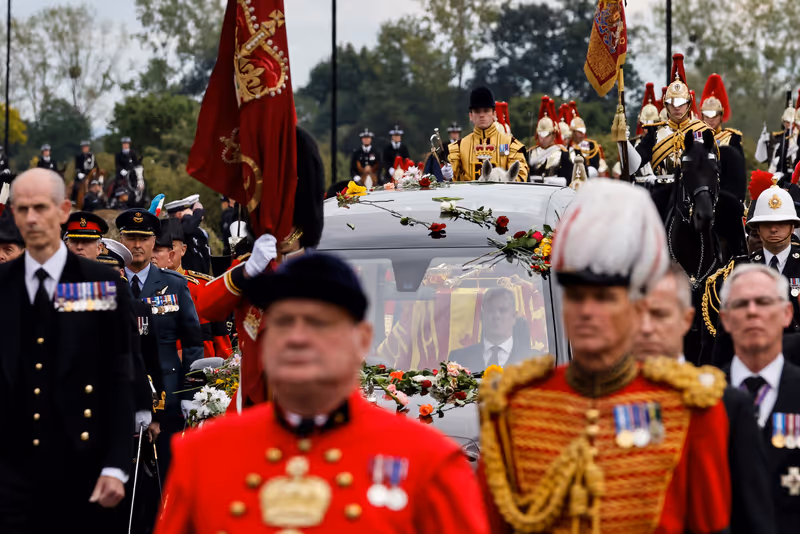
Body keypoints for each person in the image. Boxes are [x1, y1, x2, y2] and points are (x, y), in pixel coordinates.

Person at [155, 253, 491, 534]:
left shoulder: (428, 462)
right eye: (284, 322)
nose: (298, 338)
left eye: (319, 323)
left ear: (362, 338)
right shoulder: (203, 457)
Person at [480, 179, 731, 533]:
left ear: (636, 308)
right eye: (576, 297)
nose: (586, 311)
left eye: (603, 299)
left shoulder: (692, 409)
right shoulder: (513, 407)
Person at [0, 168, 135, 532]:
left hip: (83, 467)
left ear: (62, 211)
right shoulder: (2, 285)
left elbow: (119, 376)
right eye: (22, 209)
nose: (31, 218)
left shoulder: (99, 282)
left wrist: (116, 464)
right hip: (10, 472)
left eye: (40, 208)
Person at [634, 263, 777, 534]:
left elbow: (754, 517)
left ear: (686, 320)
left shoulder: (726, 404)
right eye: (635, 315)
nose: (646, 328)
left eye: (660, 314)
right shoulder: (602, 400)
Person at [195, 126, 326, 412]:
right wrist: (248, 270)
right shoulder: (251, 266)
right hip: (253, 404)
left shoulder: (322, 267)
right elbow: (206, 306)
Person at [116, 208, 204, 482]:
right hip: (120, 394)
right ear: (120, 239)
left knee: (166, 477)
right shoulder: (107, 282)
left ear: (154, 242)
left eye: (143, 238)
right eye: (130, 238)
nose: (137, 245)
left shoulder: (174, 285)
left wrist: (191, 393)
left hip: (167, 395)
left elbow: (192, 343)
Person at [718, 264, 800, 533]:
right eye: (741, 304)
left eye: (764, 302)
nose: (753, 312)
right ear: (726, 319)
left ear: (787, 314)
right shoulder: (703, 397)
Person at [100, 236, 166, 534]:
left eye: (113, 273)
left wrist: (152, 411)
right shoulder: (71, 301)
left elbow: (148, 361)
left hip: (126, 407)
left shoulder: (137, 308)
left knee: (130, 486)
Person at [704, 182, 800, 367]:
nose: (774, 229)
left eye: (780, 223)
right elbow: (720, 347)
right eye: (767, 223)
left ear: (792, 226)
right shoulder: (737, 271)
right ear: (756, 228)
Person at [152, 218, 233, 359]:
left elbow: (220, 340)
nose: (155, 255)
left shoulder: (203, 287)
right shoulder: (142, 286)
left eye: (170, 247)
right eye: (154, 249)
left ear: (183, 250)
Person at [632, 54, 715, 178]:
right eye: (672, 103)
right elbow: (633, 165)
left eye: (681, 103)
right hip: (663, 192)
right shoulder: (655, 132)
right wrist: (623, 142)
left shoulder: (702, 130)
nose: (677, 107)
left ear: (688, 104)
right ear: (666, 105)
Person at [444, 86, 528, 182]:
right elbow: (452, 180)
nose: (482, 115)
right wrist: (447, 175)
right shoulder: (458, 147)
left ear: (494, 114)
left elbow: (521, 176)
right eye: (477, 111)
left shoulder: (511, 144)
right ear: (471, 116)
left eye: (486, 110)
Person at [448, 287, 531, 370]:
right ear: (481, 316)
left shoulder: (535, 361)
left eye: (503, 310)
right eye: (490, 310)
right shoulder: (458, 359)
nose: (496, 316)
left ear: (514, 316)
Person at [164, 194, 212, 275]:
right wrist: (197, 212)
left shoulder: (191, 230)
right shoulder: (177, 230)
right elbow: (188, 228)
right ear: (179, 215)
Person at [527, 96, 572, 181]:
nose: (543, 138)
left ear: (553, 134)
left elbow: (568, 178)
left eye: (546, 135)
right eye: (540, 135)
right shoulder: (529, 153)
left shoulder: (563, 154)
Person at [756, 100, 799, 177]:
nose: (789, 125)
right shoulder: (777, 138)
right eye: (787, 122)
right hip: (779, 172)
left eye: (791, 122)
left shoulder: (797, 138)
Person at [568, 101, 608, 177]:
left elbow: (595, 164)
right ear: (573, 132)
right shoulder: (569, 146)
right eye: (578, 132)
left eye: (582, 131)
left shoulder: (592, 145)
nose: (581, 134)